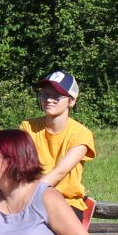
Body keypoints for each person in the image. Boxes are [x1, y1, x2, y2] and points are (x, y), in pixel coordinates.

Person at [21, 71, 97, 219]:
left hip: (66, 203)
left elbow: (59, 172)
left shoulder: (81, 134)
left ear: (72, 101)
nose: (49, 100)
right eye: (45, 94)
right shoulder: (27, 127)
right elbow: (20, 165)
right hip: (28, 200)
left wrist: (26, 197)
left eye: (56, 96)